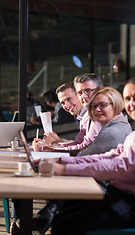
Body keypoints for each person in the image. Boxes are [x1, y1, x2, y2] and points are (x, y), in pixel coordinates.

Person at [31, 86, 132, 235]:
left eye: (102, 105)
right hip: (118, 197)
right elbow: (106, 157)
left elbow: (115, 165)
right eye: (93, 106)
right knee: (62, 217)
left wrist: (62, 167)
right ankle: (45, 215)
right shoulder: (127, 132)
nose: (97, 110)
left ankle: (44, 216)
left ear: (116, 104)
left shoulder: (115, 130)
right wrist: (61, 161)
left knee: (62, 223)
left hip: (125, 203)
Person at [33, 74, 104, 154]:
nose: (66, 105)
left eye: (69, 99)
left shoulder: (96, 116)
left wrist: (53, 147)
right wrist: (59, 141)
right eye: (62, 103)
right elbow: (79, 144)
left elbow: (84, 148)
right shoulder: (85, 116)